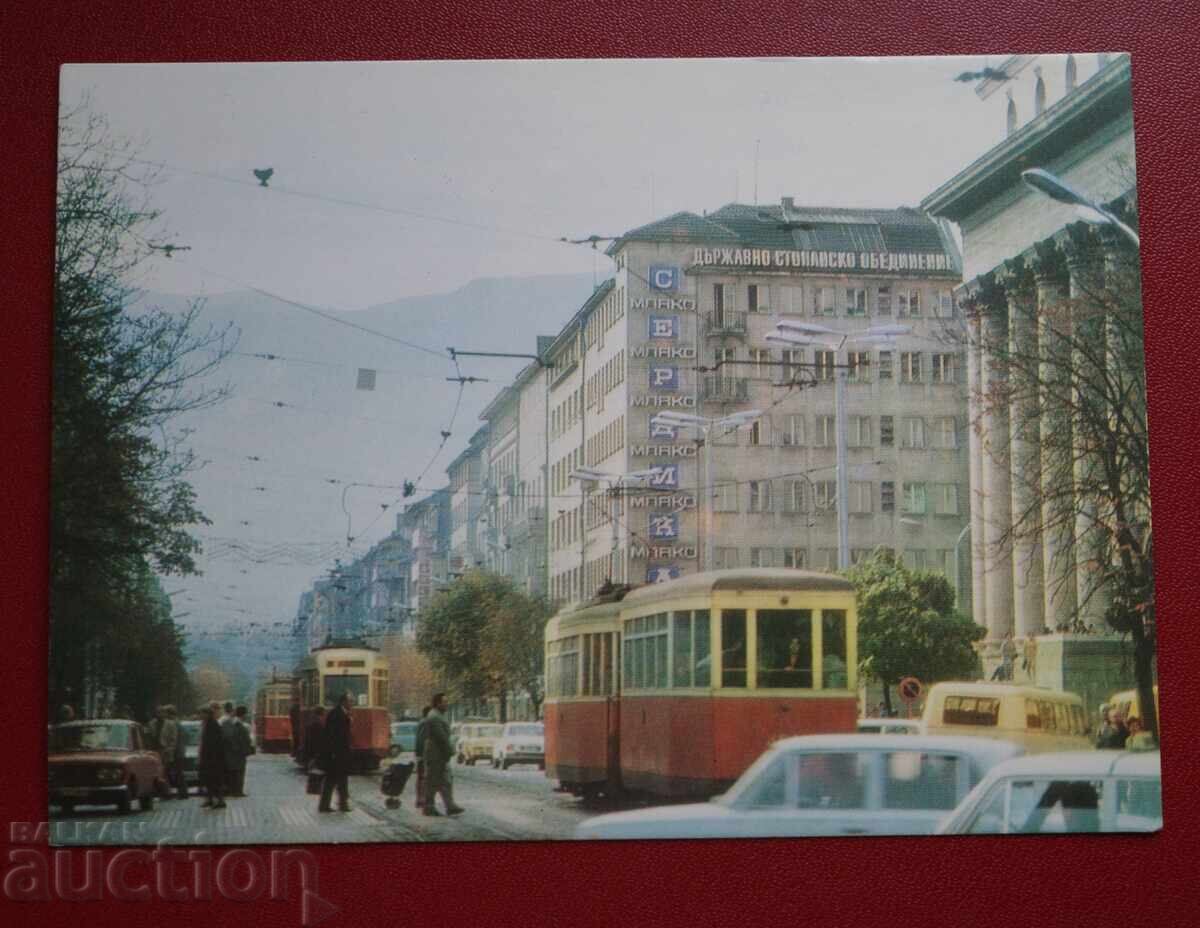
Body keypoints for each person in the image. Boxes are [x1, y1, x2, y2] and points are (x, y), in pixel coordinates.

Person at [421, 692, 464, 817]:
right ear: (438, 703)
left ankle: (450, 806)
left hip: (438, 753)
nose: (447, 704)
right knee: (433, 780)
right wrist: (450, 751)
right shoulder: (435, 717)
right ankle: (429, 807)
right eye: (444, 702)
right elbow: (442, 738)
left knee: (445, 780)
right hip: (436, 754)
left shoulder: (437, 715)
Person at [318, 693, 354, 813]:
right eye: (350, 701)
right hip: (337, 754)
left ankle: (338, 804)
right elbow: (333, 736)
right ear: (344, 702)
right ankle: (336, 805)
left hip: (339, 754)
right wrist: (333, 753)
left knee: (337, 780)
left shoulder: (341, 713)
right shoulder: (337, 714)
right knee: (334, 780)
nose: (352, 704)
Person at [198, 703, 227, 809]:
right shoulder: (206, 724)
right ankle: (210, 799)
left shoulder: (213, 725)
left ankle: (220, 801)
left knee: (215, 780)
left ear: (207, 714)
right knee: (208, 780)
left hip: (213, 758)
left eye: (201, 713)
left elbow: (215, 743)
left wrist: (211, 757)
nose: (200, 716)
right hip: (208, 757)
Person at [228, 706, 255, 797]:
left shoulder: (234, 723)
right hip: (239, 752)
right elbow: (242, 739)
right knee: (239, 771)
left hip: (236, 751)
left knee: (236, 771)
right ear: (243, 714)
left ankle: (235, 790)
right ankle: (238, 791)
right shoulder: (239, 725)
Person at [414, 705, 432, 811]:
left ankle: (420, 799)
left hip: (421, 754)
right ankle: (422, 799)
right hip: (423, 755)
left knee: (421, 777)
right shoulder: (425, 723)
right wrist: (421, 755)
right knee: (423, 777)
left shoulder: (422, 722)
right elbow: (422, 739)